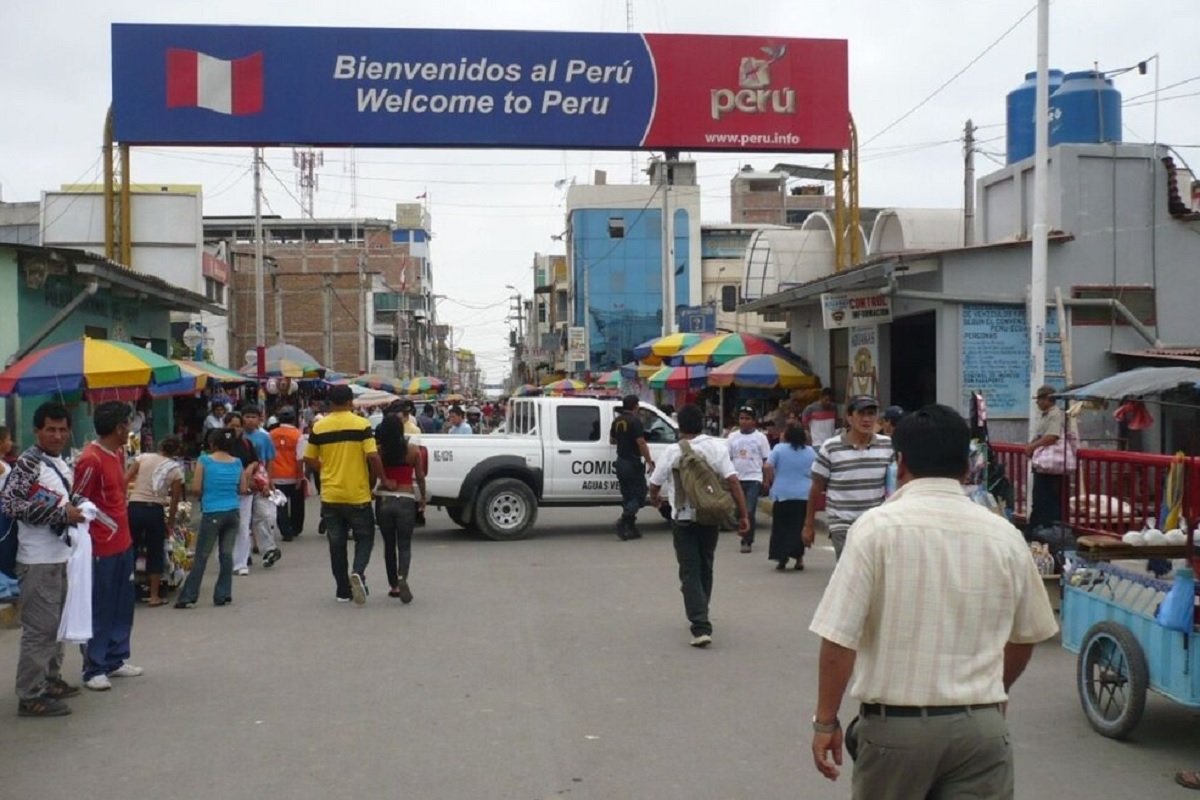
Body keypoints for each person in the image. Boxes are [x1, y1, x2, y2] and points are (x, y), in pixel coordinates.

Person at [808, 404, 1058, 798]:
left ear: (901, 463)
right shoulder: (1004, 535)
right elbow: (1027, 634)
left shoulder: (875, 529)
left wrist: (825, 722)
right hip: (981, 731)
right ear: (966, 467)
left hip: (896, 732)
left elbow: (839, 638)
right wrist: (990, 691)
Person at [1, 403, 86, 717]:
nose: (57, 435)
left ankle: (51, 680)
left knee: (57, 625)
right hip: (37, 560)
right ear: (37, 431)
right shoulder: (28, 463)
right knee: (39, 629)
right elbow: (11, 505)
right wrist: (62, 513)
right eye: (50, 429)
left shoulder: (59, 462)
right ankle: (30, 694)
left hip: (60, 555)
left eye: (63, 429)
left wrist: (79, 506)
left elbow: (64, 497)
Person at [648, 404, 749, 648]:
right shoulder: (717, 447)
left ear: (679, 426)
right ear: (702, 423)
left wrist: (656, 499)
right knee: (706, 564)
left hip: (682, 518)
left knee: (689, 570)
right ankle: (702, 609)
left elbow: (655, 483)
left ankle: (700, 624)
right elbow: (733, 481)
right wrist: (743, 515)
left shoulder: (673, 451)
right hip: (710, 516)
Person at [73, 401, 143, 692]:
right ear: (119, 427)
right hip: (101, 547)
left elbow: (113, 494)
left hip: (122, 542)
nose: (130, 428)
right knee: (101, 607)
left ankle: (115, 658)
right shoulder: (91, 459)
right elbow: (77, 499)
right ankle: (94, 667)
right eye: (127, 423)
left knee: (122, 605)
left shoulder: (116, 454)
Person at [304, 383, 393, 605]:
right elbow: (373, 456)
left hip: (331, 496)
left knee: (337, 544)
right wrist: (383, 479)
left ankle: (342, 591)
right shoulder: (361, 424)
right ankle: (358, 572)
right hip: (357, 495)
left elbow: (308, 458)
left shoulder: (319, 427)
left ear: (330, 403)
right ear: (350, 402)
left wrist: (324, 470)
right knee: (365, 537)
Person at [802, 395, 893, 560]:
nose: (866, 419)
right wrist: (809, 525)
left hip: (875, 523)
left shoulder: (887, 446)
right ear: (849, 418)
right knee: (849, 573)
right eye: (861, 414)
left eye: (871, 414)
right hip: (842, 523)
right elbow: (816, 488)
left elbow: (894, 486)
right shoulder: (831, 448)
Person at [175, 428, 247, 609]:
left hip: (212, 512)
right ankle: (223, 594)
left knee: (202, 555)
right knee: (226, 554)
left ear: (212, 444)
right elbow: (243, 489)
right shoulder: (237, 462)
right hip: (233, 512)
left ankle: (188, 596)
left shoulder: (204, 461)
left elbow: (196, 488)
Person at [374, 401, 426, 603]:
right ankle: (403, 576)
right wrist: (422, 499)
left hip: (384, 499)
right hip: (406, 499)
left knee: (389, 545)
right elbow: (420, 477)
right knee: (404, 544)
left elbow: (373, 476)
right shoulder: (413, 450)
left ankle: (394, 586)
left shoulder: (379, 452)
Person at [125, 436, 185, 607]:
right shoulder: (175, 470)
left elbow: (126, 478)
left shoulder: (142, 458)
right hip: (154, 510)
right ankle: (153, 596)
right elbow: (174, 500)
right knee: (155, 551)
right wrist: (171, 522)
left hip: (134, 508)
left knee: (131, 549)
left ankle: (125, 591)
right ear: (177, 452)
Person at [767, 423, 815, 571]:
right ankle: (799, 558)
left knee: (781, 527)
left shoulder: (779, 449)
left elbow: (767, 466)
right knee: (799, 527)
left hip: (782, 493)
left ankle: (782, 558)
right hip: (804, 494)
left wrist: (771, 479)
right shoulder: (811, 452)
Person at [726, 406, 773, 554]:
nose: (744, 421)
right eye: (742, 418)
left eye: (748, 418)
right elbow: (727, 458)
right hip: (736, 478)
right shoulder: (732, 437)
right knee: (739, 510)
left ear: (754, 421)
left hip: (754, 478)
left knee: (750, 510)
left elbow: (767, 460)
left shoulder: (760, 438)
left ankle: (746, 540)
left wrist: (767, 480)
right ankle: (743, 529)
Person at [609, 394, 654, 541]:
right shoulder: (635, 421)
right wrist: (649, 461)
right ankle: (623, 521)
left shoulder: (617, 421)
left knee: (628, 496)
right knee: (640, 494)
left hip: (621, 461)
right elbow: (641, 442)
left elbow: (612, 440)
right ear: (635, 406)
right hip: (632, 463)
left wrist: (624, 441)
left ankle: (631, 528)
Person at [241, 406, 281, 569]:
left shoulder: (264, 438)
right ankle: (244, 553)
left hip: (259, 480)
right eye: (247, 416)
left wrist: (269, 481)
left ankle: (269, 549)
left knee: (262, 517)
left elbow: (270, 461)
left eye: (253, 417)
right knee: (243, 521)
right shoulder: (237, 437)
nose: (250, 419)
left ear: (260, 419)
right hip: (241, 481)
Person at [222, 412, 259, 575]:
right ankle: (226, 558)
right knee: (225, 526)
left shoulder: (246, 443)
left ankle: (241, 562)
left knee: (243, 526)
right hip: (225, 491)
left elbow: (255, 460)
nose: (236, 429)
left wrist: (250, 467)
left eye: (238, 426)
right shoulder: (220, 444)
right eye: (232, 426)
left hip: (245, 492)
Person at [1026, 384, 1066, 530]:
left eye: (1040, 399)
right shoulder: (1045, 415)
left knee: (1046, 497)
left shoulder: (1055, 414)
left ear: (1048, 400)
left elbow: (1052, 437)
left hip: (1051, 464)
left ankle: (1048, 527)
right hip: (1042, 463)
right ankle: (1037, 527)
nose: (1037, 403)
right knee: (1040, 497)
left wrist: (1032, 446)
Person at [269, 407, 305, 541]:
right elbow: (300, 458)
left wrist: (269, 476)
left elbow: (269, 457)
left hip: (276, 476)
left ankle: (285, 531)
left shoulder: (271, 434)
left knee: (280, 505)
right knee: (297, 504)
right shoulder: (297, 435)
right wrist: (300, 477)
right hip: (292, 475)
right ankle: (295, 528)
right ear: (293, 419)